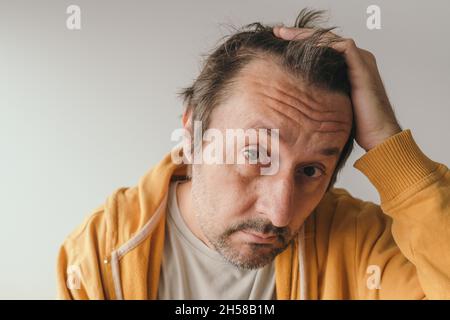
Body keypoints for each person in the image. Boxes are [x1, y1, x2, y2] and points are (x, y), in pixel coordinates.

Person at [56, 9, 450, 299]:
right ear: (193, 134)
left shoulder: (363, 247)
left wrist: (387, 140)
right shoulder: (99, 254)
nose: (280, 213)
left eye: (311, 170)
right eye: (256, 155)